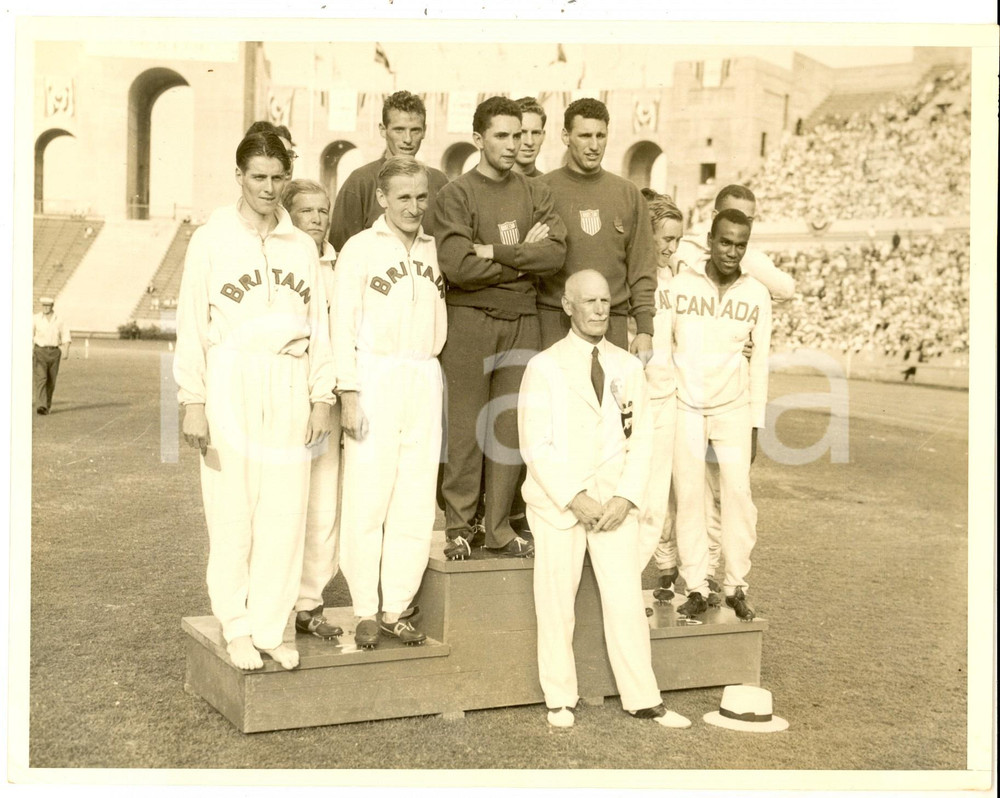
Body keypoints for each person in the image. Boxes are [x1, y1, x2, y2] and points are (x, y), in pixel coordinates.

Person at [174, 131, 336, 672]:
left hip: (289, 378)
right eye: (258, 177)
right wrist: (193, 400)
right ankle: (237, 626)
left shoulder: (301, 245)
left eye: (277, 177)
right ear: (239, 176)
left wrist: (320, 396)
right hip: (232, 377)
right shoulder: (211, 239)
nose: (268, 188)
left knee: (285, 511)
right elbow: (191, 325)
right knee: (233, 510)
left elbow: (320, 327)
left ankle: (270, 627)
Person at [518, 270, 690, 731]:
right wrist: (573, 497)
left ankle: (643, 699)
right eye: (589, 301)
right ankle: (559, 697)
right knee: (556, 601)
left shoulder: (628, 366)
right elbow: (535, 443)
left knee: (626, 602)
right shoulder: (544, 367)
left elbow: (643, 440)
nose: (599, 309)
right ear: (567, 306)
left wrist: (625, 497)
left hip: (614, 505)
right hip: (559, 506)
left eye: (605, 301)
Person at [430, 95, 567, 561]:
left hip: (522, 321)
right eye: (502, 136)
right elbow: (458, 265)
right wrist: (522, 262)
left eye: (520, 135)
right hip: (470, 319)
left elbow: (555, 254)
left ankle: (499, 528)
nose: (513, 144)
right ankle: (459, 526)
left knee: (509, 426)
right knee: (466, 427)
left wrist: (494, 252)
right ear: (478, 139)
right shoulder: (457, 194)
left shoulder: (535, 192)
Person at [333, 156, 446, 649]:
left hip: (423, 373)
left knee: (415, 498)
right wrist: (349, 392)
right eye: (403, 197)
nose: (414, 207)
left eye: (421, 196)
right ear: (382, 198)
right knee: (368, 496)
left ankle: (396, 606)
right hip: (375, 374)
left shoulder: (436, 248)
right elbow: (341, 325)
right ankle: (363, 607)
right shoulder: (360, 248)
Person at [674, 184, 793, 603]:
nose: (731, 251)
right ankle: (694, 583)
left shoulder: (757, 293)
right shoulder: (680, 284)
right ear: (710, 240)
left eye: (740, 245)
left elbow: (759, 362)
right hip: (686, 406)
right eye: (724, 242)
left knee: (739, 495)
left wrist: (756, 423)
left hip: (734, 409)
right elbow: (664, 347)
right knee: (690, 497)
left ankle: (736, 583)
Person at [538, 98, 657, 363]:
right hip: (555, 320)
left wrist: (644, 329)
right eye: (585, 136)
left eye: (600, 136)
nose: (594, 145)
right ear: (566, 136)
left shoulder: (628, 194)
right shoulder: (542, 190)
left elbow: (642, 268)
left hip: (610, 321)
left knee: (609, 390)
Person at [280, 179, 344, 641]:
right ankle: (270, 602)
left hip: (331, 396)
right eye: (307, 211)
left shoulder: (341, 265)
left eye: (323, 210)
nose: (318, 219)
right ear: (289, 215)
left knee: (324, 502)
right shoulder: (281, 260)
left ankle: (310, 602)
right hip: (285, 389)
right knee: (282, 500)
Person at [635, 192, 683, 596]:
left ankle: (633, 579)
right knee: (627, 497)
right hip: (632, 403)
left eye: (677, 240)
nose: (671, 247)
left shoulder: (674, 279)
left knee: (655, 500)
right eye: (666, 238)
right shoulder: (630, 277)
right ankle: (615, 584)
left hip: (666, 398)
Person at [328, 91, 449, 251]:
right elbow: (340, 251)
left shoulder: (439, 181)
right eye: (399, 130)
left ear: (424, 131)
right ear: (383, 130)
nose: (407, 139)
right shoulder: (360, 181)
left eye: (415, 130)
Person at [32, 296, 71, 415]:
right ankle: (41, 405)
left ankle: (47, 405)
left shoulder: (59, 320)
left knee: (51, 380)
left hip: (54, 352)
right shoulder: (36, 319)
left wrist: (66, 350)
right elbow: (29, 335)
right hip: (40, 351)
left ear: (52, 306)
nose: (45, 308)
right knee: (41, 378)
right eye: (44, 305)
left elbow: (65, 335)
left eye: (48, 306)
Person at [512, 96, 547, 178]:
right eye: (522, 133)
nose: (529, 142)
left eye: (536, 133)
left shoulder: (549, 184)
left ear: (543, 136)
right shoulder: (489, 182)